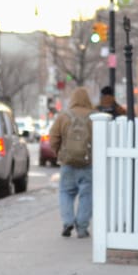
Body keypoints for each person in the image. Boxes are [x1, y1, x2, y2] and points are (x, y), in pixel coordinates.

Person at [49, 87, 95, 239]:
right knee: (86, 195)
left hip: (68, 162)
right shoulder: (93, 117)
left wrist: (59, 153)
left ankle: (67, 221)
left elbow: (53, 138)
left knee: (66, 192)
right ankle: (82, 228)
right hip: (88, 163)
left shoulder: (64, 116)